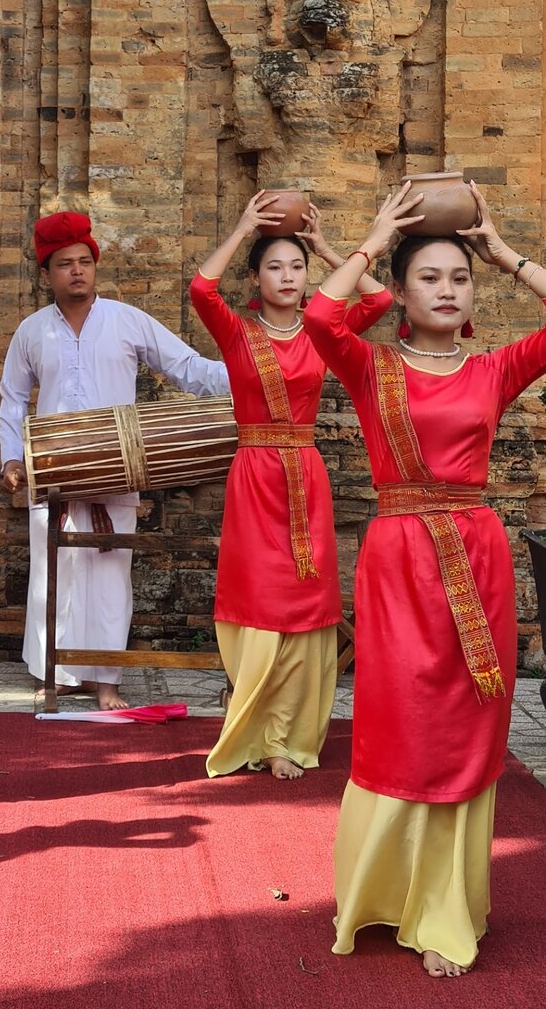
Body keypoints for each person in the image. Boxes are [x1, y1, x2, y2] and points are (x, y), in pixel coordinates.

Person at [303, 179, 546, 976]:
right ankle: (381, 893)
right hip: (400, 561)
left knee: (469, 727)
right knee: (403, 724)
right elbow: (317, 317)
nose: (448, 289)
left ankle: (446, 909)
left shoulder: (494, 369)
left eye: (459, 277)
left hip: (477, 560)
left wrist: (501, 250)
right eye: (430, 277)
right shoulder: (371, 367)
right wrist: (374, 238)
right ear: (400, 294)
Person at [189, 191, 393, 779]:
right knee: (259, 604)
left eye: (296, 266)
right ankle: (250, 717)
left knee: (306, 606)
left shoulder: (322, 331)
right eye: (274, 266)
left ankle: (284, 737)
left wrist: (327, 247)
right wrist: (241, 226)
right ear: (254, 276)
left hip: (305, 476)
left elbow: (377, 298)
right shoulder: (235, 332)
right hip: (254, 476)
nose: (287, 276)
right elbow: (202, 290)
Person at [0, 210, 229, 710]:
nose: (77, 271)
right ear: (47, 273)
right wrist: (11, 459)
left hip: (118, 468)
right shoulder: (33, 331)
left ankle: (107, 682)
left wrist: (253, 375)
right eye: (65, 264)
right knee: (51, 575)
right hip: (53, 470)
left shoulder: (127, 320)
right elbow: (12, 398)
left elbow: (186, 367)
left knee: (108, 578)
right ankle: (53, 674)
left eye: (85, 261)